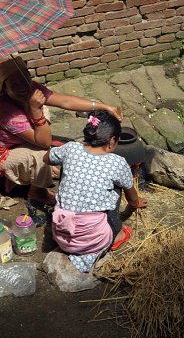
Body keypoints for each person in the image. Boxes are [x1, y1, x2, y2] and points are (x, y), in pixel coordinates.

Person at [0, 56, 123, 206]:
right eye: (14, 84)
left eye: (24, 79)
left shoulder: (32, 89)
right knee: (43, 154)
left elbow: (65, 101)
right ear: (4, 88)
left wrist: (104, 107)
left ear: (29, 76)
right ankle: (36, 193)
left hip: (12, 141)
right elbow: (45, 143)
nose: (22, 87)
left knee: (42, 107)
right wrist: (35, 110)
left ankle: (21, 174)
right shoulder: (5, 111)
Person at [43, 110, 147, 273]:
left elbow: (46, 158)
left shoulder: (71, 148)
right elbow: (132, 198)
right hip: (92, 241)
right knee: (117, 187)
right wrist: (136, 203)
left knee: (67, 168)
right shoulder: (117, 163)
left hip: (62, 236)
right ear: (112, 141)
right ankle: (116, 235)